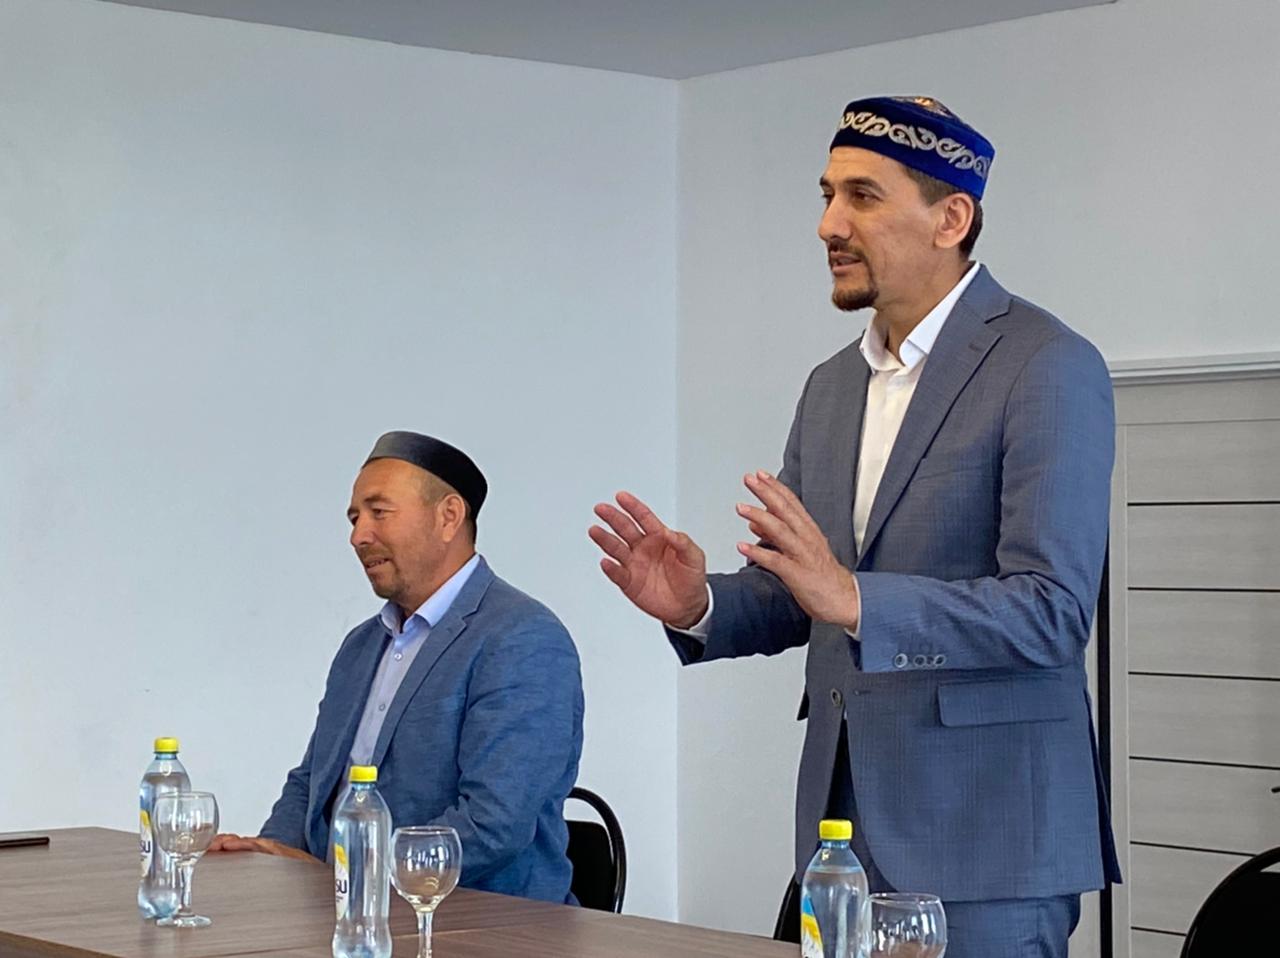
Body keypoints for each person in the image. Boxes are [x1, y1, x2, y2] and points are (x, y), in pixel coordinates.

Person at [589, 96, 1120, 956]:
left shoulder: (1048, 366)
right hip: (839, 841)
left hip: (987, 847)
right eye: (828, 195)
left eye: (863, 197)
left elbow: (1050, 611)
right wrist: (699, 606)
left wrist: (856, 598)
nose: (828, 224)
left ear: (952, 219)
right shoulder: (831, 385)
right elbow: (804, 594)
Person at [214, 431, 584, 904]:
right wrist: (272, 859)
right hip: (349, 911)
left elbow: (493, 826)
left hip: (479, 924)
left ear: (448, 516)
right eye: (354, 518)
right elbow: (312, 783)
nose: (358, 536)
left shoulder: (521, 638)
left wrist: (342, 874)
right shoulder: (361, 645)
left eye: (379, 512)